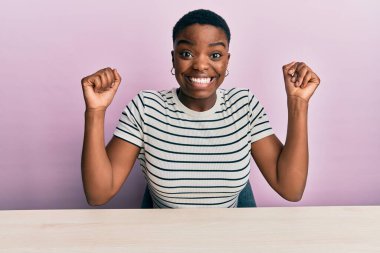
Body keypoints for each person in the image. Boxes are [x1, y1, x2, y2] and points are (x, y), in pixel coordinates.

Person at [80, 9, 320, 208]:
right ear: (173, 58)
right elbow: (98, 194)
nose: (201, 65)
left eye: (215, 54)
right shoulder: (146, 108)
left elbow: (291, 189)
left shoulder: (244, 105)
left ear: (227, 61)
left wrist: (298, 102)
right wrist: (95, 111)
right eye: (186, 53)